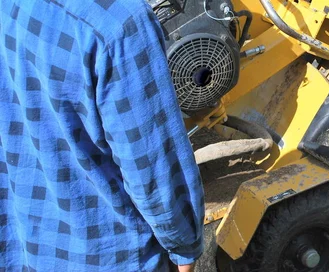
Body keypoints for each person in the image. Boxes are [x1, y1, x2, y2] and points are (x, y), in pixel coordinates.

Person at [0, 0, 205, 271]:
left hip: (26, 244)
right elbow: (155, 173)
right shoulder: (118, 24)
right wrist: (184, 247)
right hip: (106, 255)